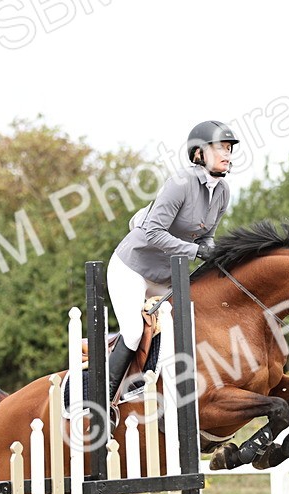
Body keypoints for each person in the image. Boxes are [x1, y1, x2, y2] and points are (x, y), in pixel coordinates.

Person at [105, 120, 238, 400]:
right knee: (133, 332)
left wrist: (213, 252)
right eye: (220, 148)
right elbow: (153, 232)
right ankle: (104, 396)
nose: (226, 154)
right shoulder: (181, 183)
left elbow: (207, 236)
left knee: (183, 330)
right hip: (132, 268)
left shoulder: (223, 191)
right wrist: (195, 251)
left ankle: (161, 393)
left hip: (166, 276)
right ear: (199, 153)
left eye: (229, 149)